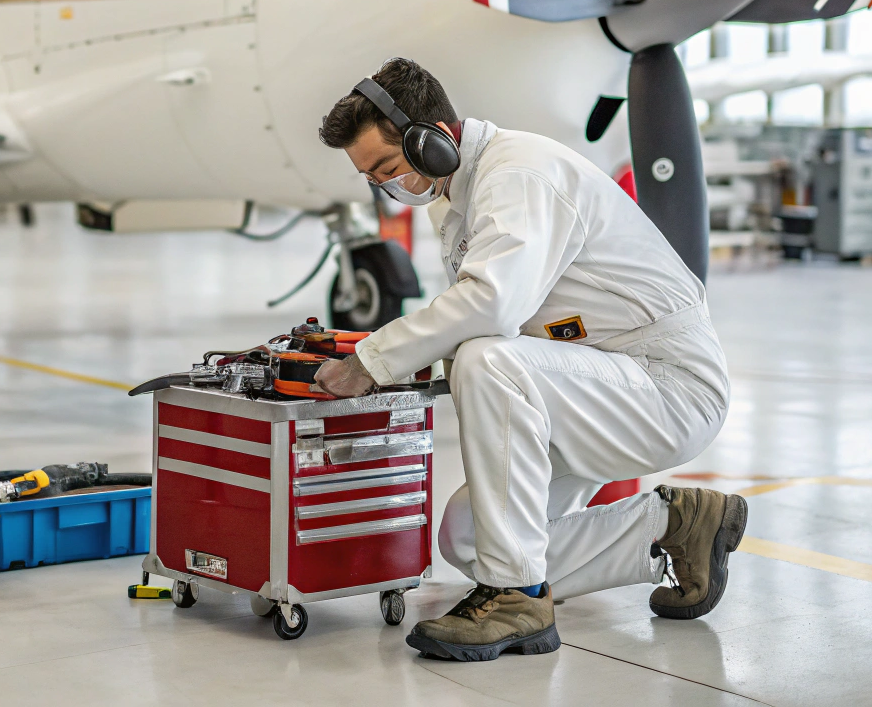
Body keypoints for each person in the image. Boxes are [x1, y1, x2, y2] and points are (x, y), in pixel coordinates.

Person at [314, 58, 746, 663]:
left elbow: (491, 306)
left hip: (665, 387)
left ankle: (517, 598)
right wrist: (412, 356)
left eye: (388, 168)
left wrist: (372, 359)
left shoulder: (520, 175)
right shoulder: (460, 197)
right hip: (590, 386)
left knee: (486, 359)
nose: (388, 187)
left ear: (432, 137)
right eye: (373, 178)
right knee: (470, 538)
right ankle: (672, 529)